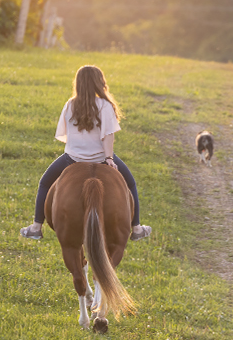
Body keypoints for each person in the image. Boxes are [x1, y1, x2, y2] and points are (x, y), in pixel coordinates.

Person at [19, 64, 152, 242]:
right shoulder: (105, 106)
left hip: (72, 159)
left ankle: (36, 227)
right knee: (130, 183)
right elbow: (108, 136)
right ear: (99, 83)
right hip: (100, 158)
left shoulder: (70, 105)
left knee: (44, 183)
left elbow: (65, 134)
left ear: (78, 84)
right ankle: (136, 228)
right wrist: (109, 158)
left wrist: (78, 149)